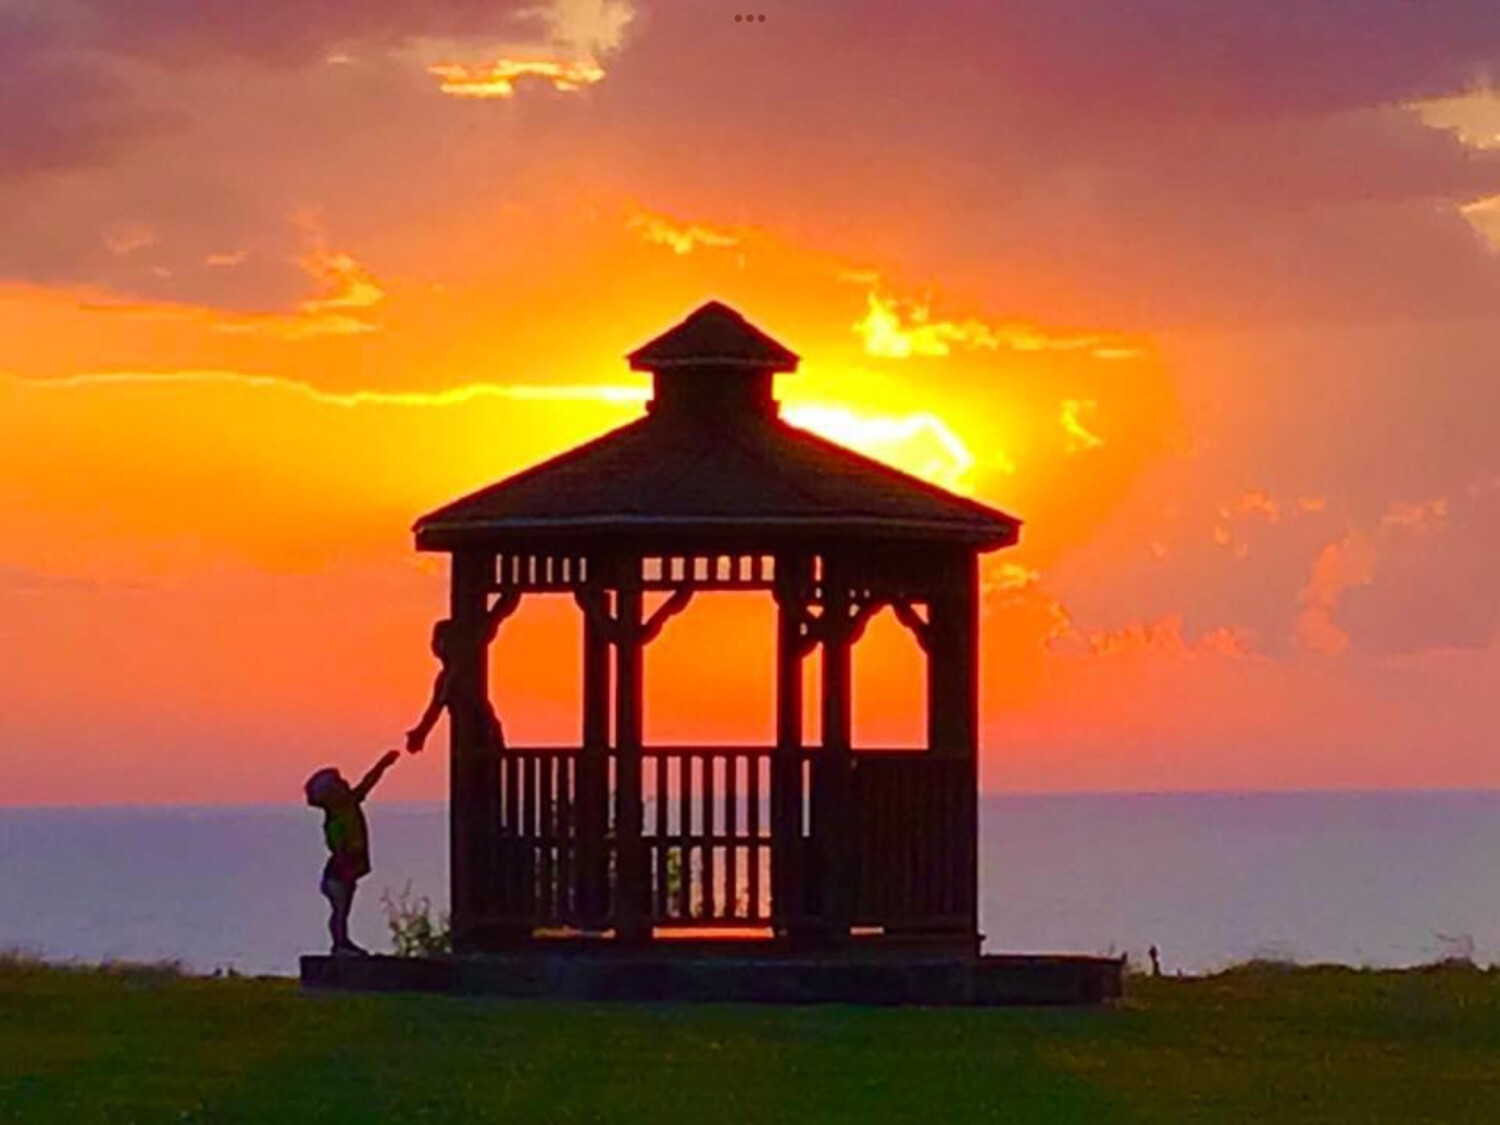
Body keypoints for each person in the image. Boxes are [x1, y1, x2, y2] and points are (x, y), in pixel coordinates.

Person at [304, 749, 401, 956]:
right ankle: (340, 944)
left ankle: (343, 942)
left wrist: (383, 764)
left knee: (342, 909)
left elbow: (368, 782)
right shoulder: (337, 818)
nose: (345, 784)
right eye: (339, 784)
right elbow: (339, 849)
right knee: (340, 910)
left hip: (345, 870)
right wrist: (347, 866)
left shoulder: (349, 805)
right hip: (339, 872)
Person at [406, 592, 518, 755]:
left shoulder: (470, 635)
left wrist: (421, 733)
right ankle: (497, 755)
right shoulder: (447, 678)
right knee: (486, 726)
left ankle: (497, 756)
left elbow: (500, 611)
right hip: (465, 710)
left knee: (487, 725)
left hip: (468, 702)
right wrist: (420, 733)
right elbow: (433, 710)